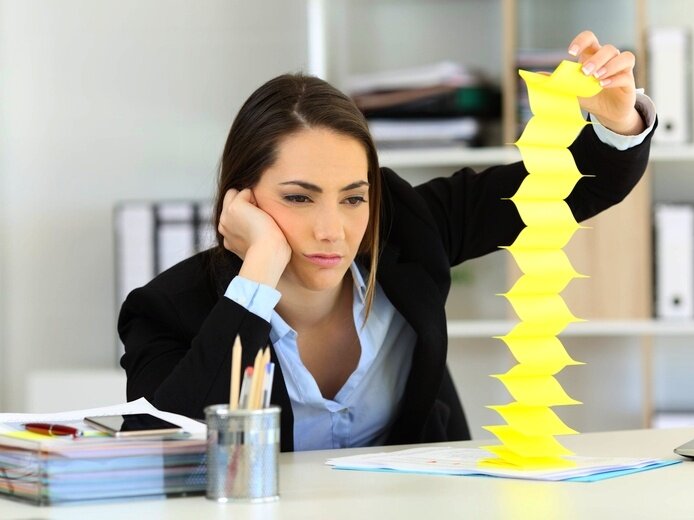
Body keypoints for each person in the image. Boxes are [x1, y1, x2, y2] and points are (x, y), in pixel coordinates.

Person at [119, 31, 657, 452]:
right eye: (299, 198)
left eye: (353, 198)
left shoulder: (410, 228)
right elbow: (157, 449)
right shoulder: (168, 309)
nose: (332, 230)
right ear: (243, 199)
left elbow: (572, 187)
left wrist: (618, 118)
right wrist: (258, 271)